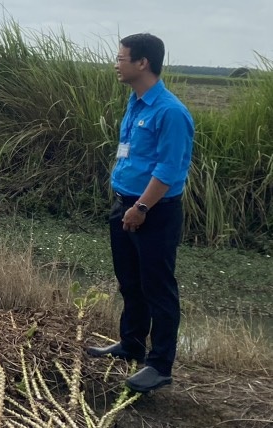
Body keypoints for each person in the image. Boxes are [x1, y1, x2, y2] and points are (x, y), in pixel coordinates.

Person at [86, 33, 194, 394]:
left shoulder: (171, 112)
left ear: (142, 63)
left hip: (153, 212)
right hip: (126, 206)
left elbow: (170, 170)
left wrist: (141, 207)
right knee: (130, 283)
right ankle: (131, 343)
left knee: (158, 289)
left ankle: (160, 365)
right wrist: (126, 204)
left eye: (121, 58)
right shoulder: (136, 103)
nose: (116, 64)